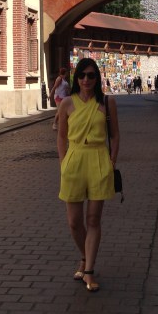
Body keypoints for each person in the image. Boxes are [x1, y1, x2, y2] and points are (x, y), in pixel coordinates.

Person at [56, 58, 119, 293]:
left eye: (91, 75)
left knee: (93, 219)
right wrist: (63, 163)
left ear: (97, 78)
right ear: (76, 78)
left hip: (98, 160)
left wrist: (111, 161)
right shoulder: (67, 103)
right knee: (74, 222)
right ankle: (85, 256)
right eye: (82, 75)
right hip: (74, 161)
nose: (86, 80)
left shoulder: (107, 103)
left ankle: (89, 271)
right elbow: (61, 136)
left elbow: (115, 135)